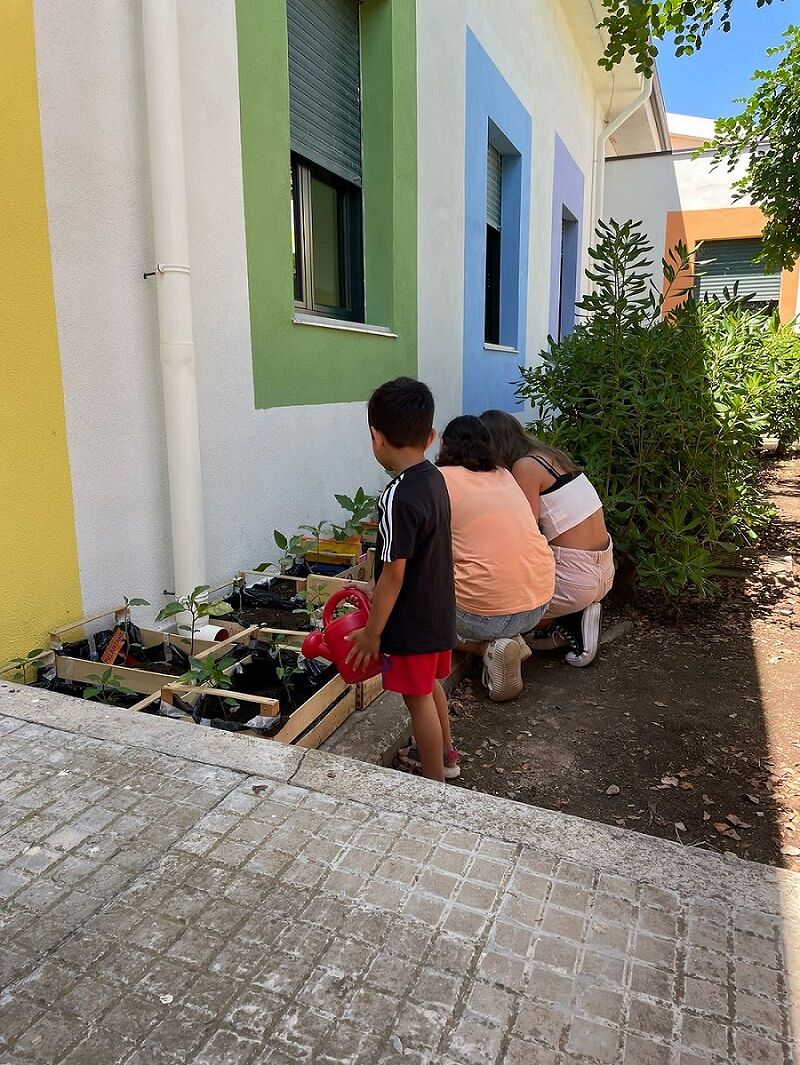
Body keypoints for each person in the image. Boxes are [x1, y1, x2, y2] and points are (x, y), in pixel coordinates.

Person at [345, 377, 459, 782]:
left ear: (376, 437)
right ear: (430, 437)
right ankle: (446, 755)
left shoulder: (396, 496)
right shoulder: (435, 479)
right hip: (438, 611)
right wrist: (372, 589)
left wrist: (372, 633)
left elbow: (394, 572)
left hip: (411, 623)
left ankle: (434, 784)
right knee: (429, 686)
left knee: (417, 700)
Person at [480, 409, 614, 666]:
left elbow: (525, 533)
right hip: (602, 569)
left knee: (499, 613)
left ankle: (570, 618)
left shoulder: (525, 467)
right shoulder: (549, 457)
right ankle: (571, 613)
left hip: (573, 578)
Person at [436, 416, 555, 702]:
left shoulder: (439, 480)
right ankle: (510, 640)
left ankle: (488, 648)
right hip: (538, 604)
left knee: (419, 610)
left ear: (444, 445)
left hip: (482, 615)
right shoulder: (505, 475)